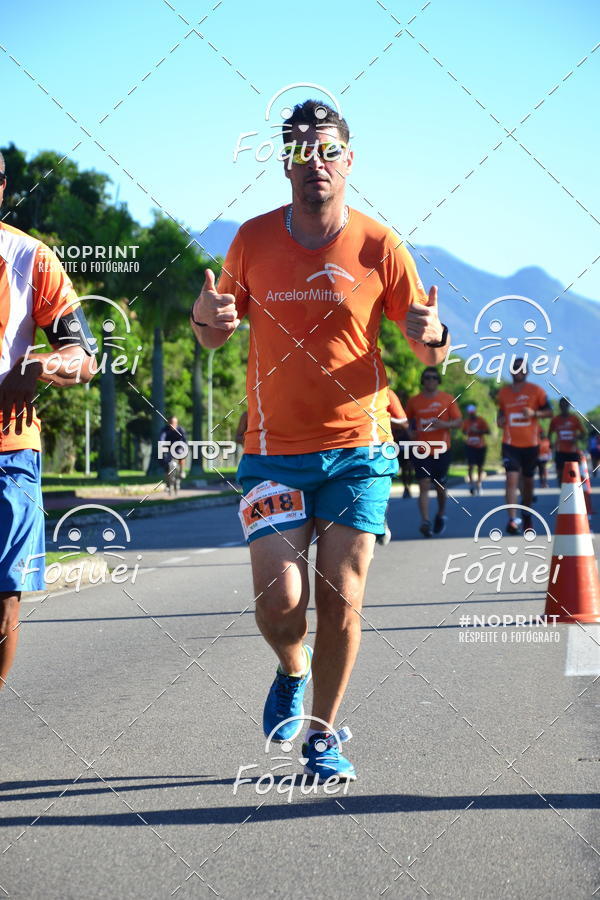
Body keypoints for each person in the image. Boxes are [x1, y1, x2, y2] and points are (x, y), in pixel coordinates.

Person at [190, 100, 450, 781]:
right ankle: (291, 666)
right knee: (281, 607)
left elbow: (427, 354)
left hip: (358, 448)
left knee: (341, 595)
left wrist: (436, 340)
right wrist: (204, 319)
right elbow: (218, 330)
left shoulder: (378, 246)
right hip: (273, 450)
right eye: (303, 154)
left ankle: (324, 735)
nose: (317, 166)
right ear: (285, 164)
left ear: (349, 161)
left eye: (329, 152)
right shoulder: (250, 241)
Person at [0, 151, 97, 688]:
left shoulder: (29, 259)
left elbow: (83, 356)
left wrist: (36, 365)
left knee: (4, 596)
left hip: (8, 452)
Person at [496, 358, 552, 535]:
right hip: (510, 444)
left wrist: (534, 413)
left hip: (531, 445)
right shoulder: (504, 393)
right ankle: (512, 520)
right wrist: (500, 421)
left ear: (526, 371)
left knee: (528, 484)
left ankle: (526, 512)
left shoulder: (536, 391)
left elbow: (550, 412)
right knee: (511, 479)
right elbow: (500, 415)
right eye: (515, 368)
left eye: (521, 368)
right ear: (511, 371)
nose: (518, 371)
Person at [405, 368, 462, 537]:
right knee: (423, 484)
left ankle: (440, 514)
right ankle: (425, 521)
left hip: (442, 449)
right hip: (421, 449)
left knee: (439, 486)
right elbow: (406, 421)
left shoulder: (447, 399)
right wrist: (409, 432)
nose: (430, 380)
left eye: (434, 378)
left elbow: (459, 422)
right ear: (422, 381)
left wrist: (443, 425)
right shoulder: (414, 401)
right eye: (427, 378)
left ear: (438, 381)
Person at [376, 388, 407, 546]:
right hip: (342, 449)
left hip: (379, 449)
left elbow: (403, 421)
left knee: (377, 493)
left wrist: (382, 416)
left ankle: (380, 522)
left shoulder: (386, 392)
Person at [548, 398, 585, 484]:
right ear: (559, 406)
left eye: (566, 405)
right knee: (561, 474)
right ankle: (563, 491)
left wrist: (576, 438)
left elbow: (583, 433)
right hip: (560, 451)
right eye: (562, 405)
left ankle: (573, 491)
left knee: (573, 473)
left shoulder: (575, 419)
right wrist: (551, 443)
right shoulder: (555, 420)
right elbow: (549, 433)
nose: (564, 407)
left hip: (573, 451)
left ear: (569, 406)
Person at [461, 403, 489, 495]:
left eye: (473, 413)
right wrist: (468, 430)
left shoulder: (481, 420)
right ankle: (471, 485)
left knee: (480, 466)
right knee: (471, 465)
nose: (471, 414)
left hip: (481, 445)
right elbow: (464, 432)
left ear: (475, 412)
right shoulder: (466, 422)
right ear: (468, 413)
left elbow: (488, 431)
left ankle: (479, 484)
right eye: (470, 413)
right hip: (470, 445)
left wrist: (478, 431)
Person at [158, 416, 188, 494]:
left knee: (182, 455)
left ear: (176, 423)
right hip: (168, 449)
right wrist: (162, 444)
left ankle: (182, 471)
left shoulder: (180, 429)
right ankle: (168, 484)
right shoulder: (165, 430)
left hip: (178, 447)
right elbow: (162, 438)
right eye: (171, 422)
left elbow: (184, 439)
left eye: (174, 423)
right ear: (168, 422)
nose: (172, 424)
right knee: (166, 465)